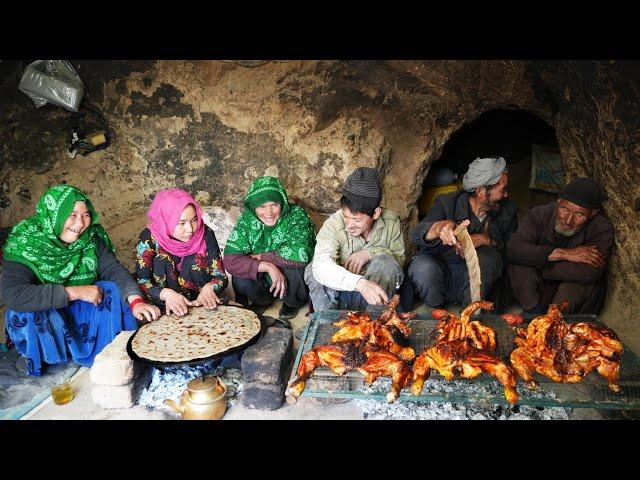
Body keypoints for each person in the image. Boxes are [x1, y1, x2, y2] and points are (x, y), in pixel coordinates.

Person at [0, 184, 160, 376]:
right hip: (47, 320)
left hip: (78, 316)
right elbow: (13, 294)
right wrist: (75, 292)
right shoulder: (26, 243)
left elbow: (114, 271)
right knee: (26, 313)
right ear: (54, 214)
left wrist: (136, 301)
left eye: (86, 214)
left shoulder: (89, 238)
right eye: (72, 214)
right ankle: (42, 357)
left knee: (110, 290)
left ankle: (105, 353)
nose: (81, 222)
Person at [407, 157, 517, 307]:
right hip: (444, 277)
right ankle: (438, 313)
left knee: (490, 258)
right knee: (422, 265)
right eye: (503, 190)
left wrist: (488, 240)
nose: (506, 195)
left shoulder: (507, 210)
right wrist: (439, 228)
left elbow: (513, 254)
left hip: (480, 285)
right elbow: (416, 234)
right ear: (481, 191)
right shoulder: (447, 203)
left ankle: (470, 314)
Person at [506, 177, 614, 314]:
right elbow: (513, 248)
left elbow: (590, 271)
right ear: (558, 202)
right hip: (541, 291)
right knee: (518, 266)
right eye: (564, 210)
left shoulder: (601, 228)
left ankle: (554, 321)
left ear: (593, 213)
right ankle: (534, 315)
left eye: (579, 214)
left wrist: (540, 264)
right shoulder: (540, 213)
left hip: (570, 295)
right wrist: (563, 254)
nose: (568, 220)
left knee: (576, 286)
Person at [305, 166, 405, 312]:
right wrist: (359, 283)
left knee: (388, 263)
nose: (350, 225)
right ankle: (326, 322)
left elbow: (399, 260)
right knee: (312, 270)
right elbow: (321, 266)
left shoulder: (390, 221)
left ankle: (372, 324)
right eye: (346, 217)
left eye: (356, 220)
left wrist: (369, 253)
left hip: (373, 296)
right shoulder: (334, 223)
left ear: (376, 214)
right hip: (339, 292)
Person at [224, 176, 315, 322]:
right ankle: (262, 300)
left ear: (282, 202)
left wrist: (260, 257)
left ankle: (292, 302)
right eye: (262, 207)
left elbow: (301, 254)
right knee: (241, 274)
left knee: (296, 267)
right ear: (254, 208)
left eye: (274, 204)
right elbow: (230, 259)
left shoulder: (296, 215)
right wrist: (268, 266)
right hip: (265, 276)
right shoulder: (247, 221)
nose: (269, 212)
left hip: (290, 274)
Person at [136, 189, 228, 316]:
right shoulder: (149, 238)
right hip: (166, 307)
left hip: (201, 303)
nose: (190, 229)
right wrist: (165, 294)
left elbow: (220, 276)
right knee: (161, 260)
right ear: (165, 220)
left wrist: (210, 287)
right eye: (181, 223)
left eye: (194, 220)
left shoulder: (205, 233)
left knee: (195, 259)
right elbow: (142, 281)